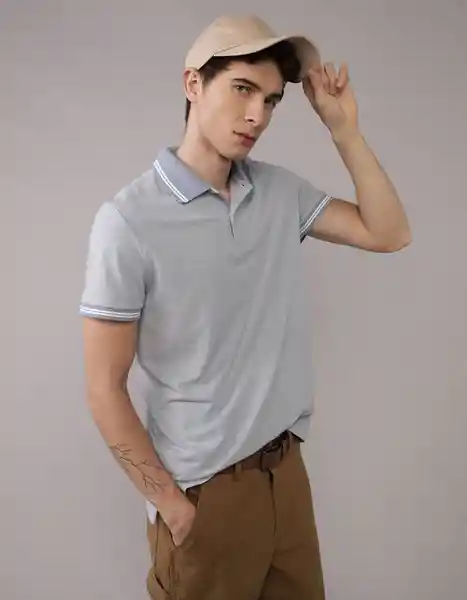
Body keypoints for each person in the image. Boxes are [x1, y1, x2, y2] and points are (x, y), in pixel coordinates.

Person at [79, 14, 411, 600]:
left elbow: (389, 233)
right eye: (242, 89)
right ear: (193, 84)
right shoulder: (128, 221)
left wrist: (344, 132)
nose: (258, 114)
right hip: (206, 495)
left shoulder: (278, 192)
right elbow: (104, 387)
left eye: (272, 100)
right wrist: (171, 504)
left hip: (285, 477)